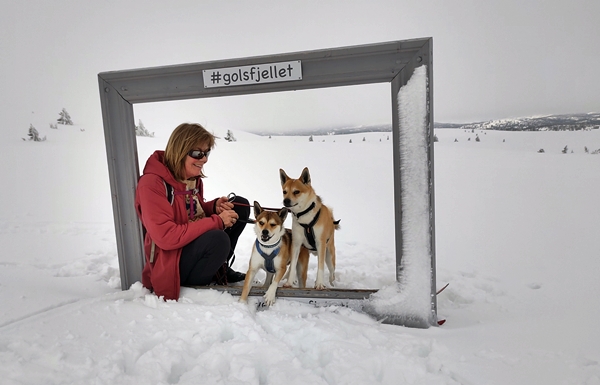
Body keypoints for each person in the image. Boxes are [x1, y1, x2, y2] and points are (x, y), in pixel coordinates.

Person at [135, 122, 249, 300]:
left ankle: (219, 268)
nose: (204, 159)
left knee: (240, 206)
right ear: (180, 151)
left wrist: (212, 207)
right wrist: (217, 221)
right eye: (197, 153)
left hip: (188, 245)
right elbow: (166, 237)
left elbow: (189, 214)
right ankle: (200, 282)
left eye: (206, 152)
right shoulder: (152, 184)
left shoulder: (192, 179)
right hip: (171, 261)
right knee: (218, 239)